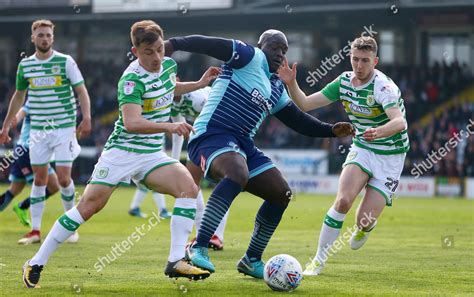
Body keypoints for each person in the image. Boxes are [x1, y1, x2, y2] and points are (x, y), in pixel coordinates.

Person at [20, 20, 219, 288]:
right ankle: (36, 262)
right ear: (136, 51)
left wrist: (199, 83)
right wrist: (170, 125)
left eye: (160, 49)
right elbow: (131, 123)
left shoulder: (169, 66)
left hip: (150, 155)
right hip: (121, 153)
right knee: (89, 207)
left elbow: (168, 89)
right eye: (149, 52)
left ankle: (175, 261)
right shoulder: (131, 79)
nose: (157, 57)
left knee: (188, 187)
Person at [164, 30, 355, 279]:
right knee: (236, 173)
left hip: (242, 144)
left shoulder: (276, 87)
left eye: (284, 51)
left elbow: (298, 121)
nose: (280, 54)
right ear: (261, 45)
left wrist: (331, 131)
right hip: (212, 134)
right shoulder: (247, 56)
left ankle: (251, 258)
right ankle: (199, 246)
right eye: (275, 47)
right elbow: (210, 44)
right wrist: (174, 43)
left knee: (281, 194)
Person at [278, 36, 409, 275]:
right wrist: (291, 83)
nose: (359, 66)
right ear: (350, 58)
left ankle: (364, 228)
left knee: (363, 221)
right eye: (355, 60)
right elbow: (305, 104)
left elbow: (399, 122)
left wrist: (378, 132)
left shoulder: (384, 87)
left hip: (391, 156)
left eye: (365, 61)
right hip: (363, 148)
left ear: (375, 61)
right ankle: (317, 261)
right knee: (343, 201)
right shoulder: (343, 82)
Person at [0, 19, 91, 245]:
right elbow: (19, 96)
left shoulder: (65, 62)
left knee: (63, 178)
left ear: (53, 37)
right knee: (39, 179)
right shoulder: (26, 66)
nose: (45, 39)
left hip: (63, 128)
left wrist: (87, 118)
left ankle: (71, 227)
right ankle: (35, 231)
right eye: (40, 35)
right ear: (33, 38)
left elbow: (81, 91)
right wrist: (6, 124)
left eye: (48, 35)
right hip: (38, 132)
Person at [129, 85, 229, 250]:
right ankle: (204, 235)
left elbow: (220, 113)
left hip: (220, 131)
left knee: (223, 182)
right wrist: (174, 162)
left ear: (179, 82)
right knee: (190, 185)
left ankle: (216, 235)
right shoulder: (171, 104)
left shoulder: (197, 99)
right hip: (200, 135)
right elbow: (178, 131)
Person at [0, 102, 60, 230]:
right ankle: (24, 208)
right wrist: (16, 118)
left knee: (14, 190)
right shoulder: (36, 98)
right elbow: (23, 111)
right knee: (52, 185)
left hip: (25, 150)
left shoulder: (52, 103)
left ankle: (23, 207)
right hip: (29, 151)